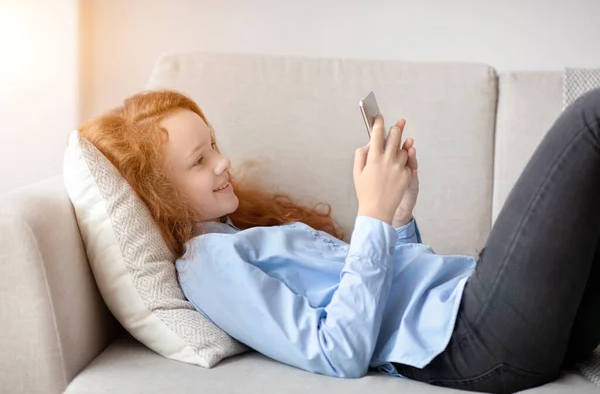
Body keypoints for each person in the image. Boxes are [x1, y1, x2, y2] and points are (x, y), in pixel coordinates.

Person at [78, 88, 600, 394]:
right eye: (199, 161)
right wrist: (370, 214)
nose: (223, 162)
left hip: (475, 307)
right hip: (474, 336)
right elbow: (338, 352)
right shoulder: (208, 266)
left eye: (213, 144)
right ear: (159, 197)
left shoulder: (241, 233)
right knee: (589, 120)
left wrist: (397, 219)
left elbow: (386, 294)